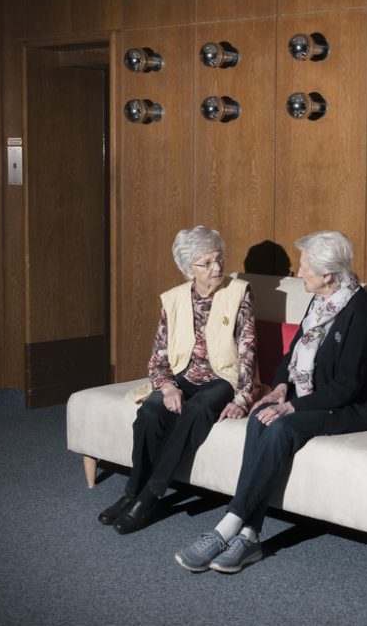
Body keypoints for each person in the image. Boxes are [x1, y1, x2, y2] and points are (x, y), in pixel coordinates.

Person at [174, 230, 367, 573]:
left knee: (281, 426)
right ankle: (250, 536)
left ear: (328, 274)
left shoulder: (359, 312)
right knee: (260, 416)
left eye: (304, 267)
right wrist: (281, 388)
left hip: (352, 407)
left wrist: (292, 407)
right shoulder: (322, 299)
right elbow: (294, 352)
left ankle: (227, 526)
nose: (299, 272)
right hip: (311, 398)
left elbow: (348, 386)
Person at [99, 226, 257, 535]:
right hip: (182, 376)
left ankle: (149, 496)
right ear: (188, 270)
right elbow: (159, 357)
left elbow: (248, 349)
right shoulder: (173, 300)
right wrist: (168, 386)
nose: (217, 267)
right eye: (207, 262)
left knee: (195, 411)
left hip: (222, 379)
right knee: (149, 413)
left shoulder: (240, 292)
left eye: (219, 258)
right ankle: (132, 491)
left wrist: (242, 398)